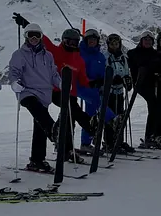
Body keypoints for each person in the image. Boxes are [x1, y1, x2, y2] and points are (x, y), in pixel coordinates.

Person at [12, 14, 91, 163]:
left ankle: (66, 149)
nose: (71, 45)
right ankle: (89, 126)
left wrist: (96, 83)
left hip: (69, 93)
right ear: (63, 41)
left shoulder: (79, 60)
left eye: (74, 42)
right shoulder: (55, 52)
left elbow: (83, 79)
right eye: (68, 41)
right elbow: (43, 39)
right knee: (69, 110)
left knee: (69, 119)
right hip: (54, 91)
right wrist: (25, 23)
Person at [8, 23, 62, 173]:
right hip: (27, 92)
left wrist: (61, 83)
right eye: (30, 35)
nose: (33, 38)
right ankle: (53, 131)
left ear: (41, 37)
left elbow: (53, 74)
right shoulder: (19, 54)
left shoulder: (48, 56)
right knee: (40, 113)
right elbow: (14, 72)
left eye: (36, 35)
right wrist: (14, 82)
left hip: (44, 94)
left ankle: (37, 160)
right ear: (26, 36)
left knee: (39, 126)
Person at [102, 33, 134, 153]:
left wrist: (127, 81)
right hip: (109, 92)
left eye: (116, 44)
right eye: (112, 44)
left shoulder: (123, 58)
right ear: (108, 45)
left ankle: (119, 141)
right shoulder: (105, 57)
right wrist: (111, 80)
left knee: (121, 117)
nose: (114, 46)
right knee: (111, 118)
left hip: (120, 91)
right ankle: (109, 142)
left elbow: (126, 72)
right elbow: (104, 73)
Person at [78, 29, 108, 151]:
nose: (92, 42)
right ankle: (111, 119)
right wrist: (90, 81)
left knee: (91, 113)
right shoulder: (80, 53)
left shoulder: (100, 56)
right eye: (90, 40)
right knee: (96, 103)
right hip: (82, 86)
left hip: (96, 88)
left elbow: (104, 71)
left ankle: (86, 142)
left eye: (94, 40)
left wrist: (103, 81)